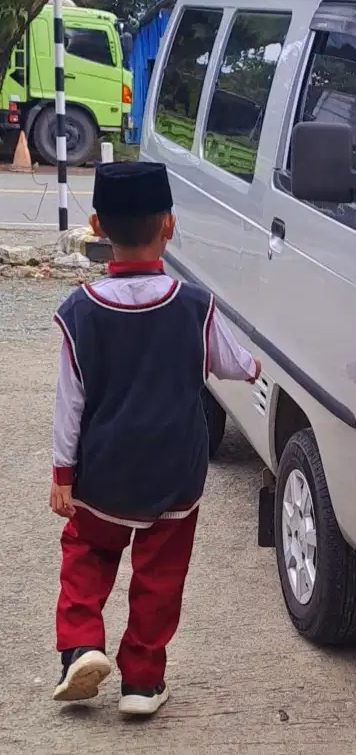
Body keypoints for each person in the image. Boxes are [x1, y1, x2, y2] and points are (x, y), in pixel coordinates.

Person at [49, 161, 261, 717]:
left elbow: (69, 402)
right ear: (169, 225)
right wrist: (254, 367)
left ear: (96, 226)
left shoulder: (80, 312)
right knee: (160, 576)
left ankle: (81, 645)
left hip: (104, 474)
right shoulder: (194, 305)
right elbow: (234, 364)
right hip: (174, 474)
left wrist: (62, 475)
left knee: (88, 554)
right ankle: (142, 681)